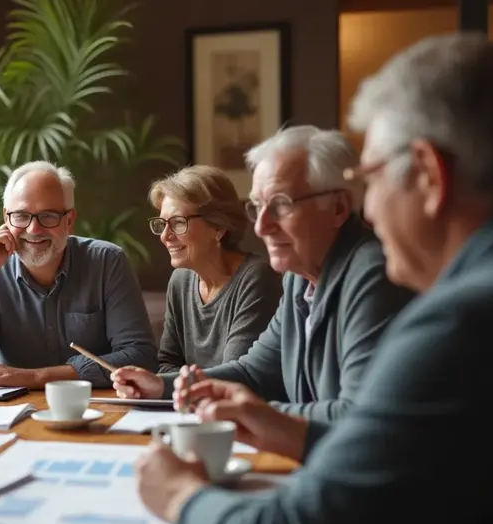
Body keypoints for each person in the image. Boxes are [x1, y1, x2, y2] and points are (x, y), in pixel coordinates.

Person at [136, 33, 493, 524]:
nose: (371, 209)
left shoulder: (466, 323)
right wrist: (235, 398)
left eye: (372, 178)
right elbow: (263, 369)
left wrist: (178, 496)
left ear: (430, 176)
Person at [112, 126, 414, 421]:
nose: (261, 226)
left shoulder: (373, 275)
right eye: (258, 206)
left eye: (281, 205)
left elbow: (355, 416)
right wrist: (161, 386)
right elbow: (255, 372)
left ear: (338, 208)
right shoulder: (299, 277)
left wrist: (254, 412)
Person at [0, 160, 157, 389]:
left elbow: (141, 357)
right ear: (6, 219)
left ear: (69, 221)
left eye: (48, 216)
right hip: (10, 414)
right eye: (22, 216)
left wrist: (38, 377)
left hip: (94, 409)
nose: (34, 229)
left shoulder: (107, 262)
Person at [145, 165, 281, 373]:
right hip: (189, 404)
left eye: (178, 223)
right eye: (162, 224)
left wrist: (161, 385)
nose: (165, 236)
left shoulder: (257, 279)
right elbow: (167, 363)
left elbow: (236, 374)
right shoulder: (180, 280)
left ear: (218, 227)